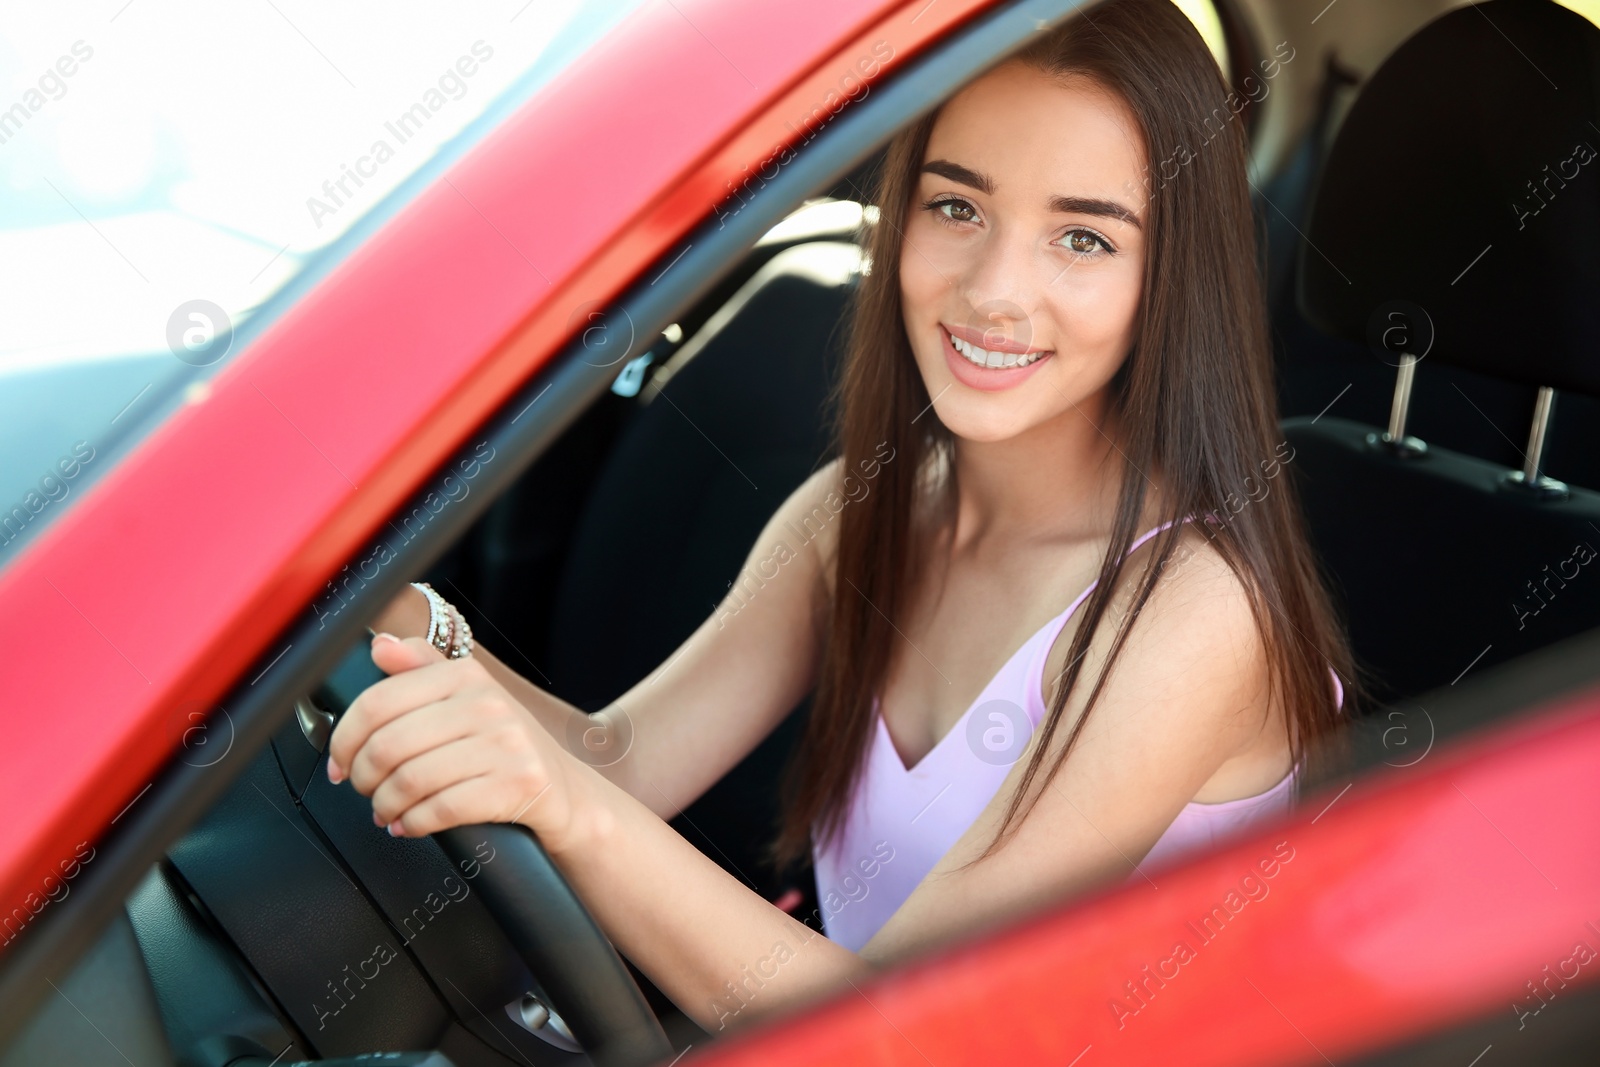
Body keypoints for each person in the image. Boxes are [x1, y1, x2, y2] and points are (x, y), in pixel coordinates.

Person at [327, 0, 1355, 1034]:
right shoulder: (848, 517)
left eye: (1082, 237)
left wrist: (562, 801)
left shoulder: (1197, 615)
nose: (995, 290)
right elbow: (618, 758)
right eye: (956, 208)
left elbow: (907, 1027)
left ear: (1172, 278)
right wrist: (406, 619)